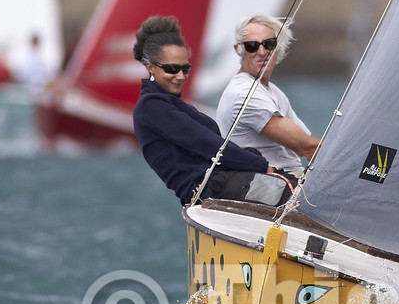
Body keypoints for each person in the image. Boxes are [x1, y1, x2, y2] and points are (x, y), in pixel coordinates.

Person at [129, 15, 292, 207]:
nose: (180, 76)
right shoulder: (151, 107)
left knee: (301, 187)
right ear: (150, 68)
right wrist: (263, 166)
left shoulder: (170, 105)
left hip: (223, 183)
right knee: (295, 193)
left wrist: (256, 161)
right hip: (210, 189)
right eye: (172, 69)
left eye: (185, 68)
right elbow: (207, 144)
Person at [216, 14, 321, 180]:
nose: (262, 52)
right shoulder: (244, 93)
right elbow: (305, 147)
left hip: (291, 179)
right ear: (239, 50)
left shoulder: (271, 91)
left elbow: (307, 141)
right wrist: (358, 164)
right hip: (273, 185)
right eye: (252, 46)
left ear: (277, 48)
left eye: (269, 44)